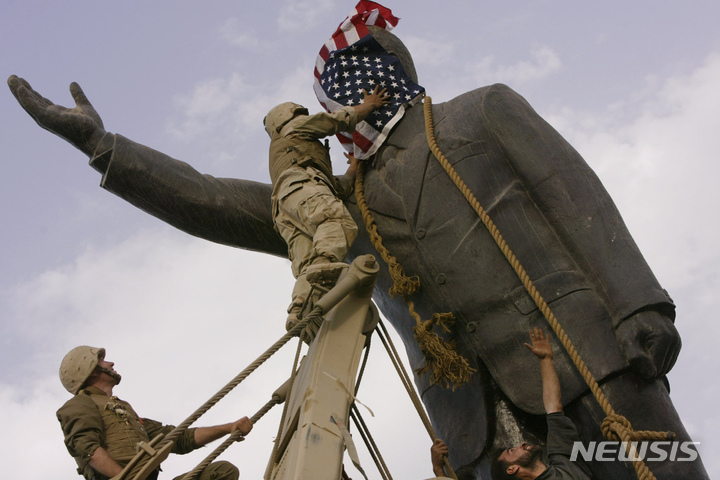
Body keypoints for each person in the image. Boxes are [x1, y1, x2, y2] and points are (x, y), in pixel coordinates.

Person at [7, 20, 707, 480]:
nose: (342, 95)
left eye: (356, 72)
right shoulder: (344, 205)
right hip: (476, 424)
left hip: (588, 364)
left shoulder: (481, 112)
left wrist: (640, 305)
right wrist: (105, 149)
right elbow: (216, 200)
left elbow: (576, 196)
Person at [264, 88, 389, 330]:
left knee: (307, 266)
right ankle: (324, 269)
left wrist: (353, 168)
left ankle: (301, 311)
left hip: (285, 210)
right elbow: (333, 122)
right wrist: (369, 105)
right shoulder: (293, 128)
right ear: (287, 116)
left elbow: (337, 188)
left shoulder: (290, 150)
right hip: (301, 187)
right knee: (336, 221)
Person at [57, 346, 253, 480]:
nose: (110, 363)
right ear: (90, 370)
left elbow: (179, 438)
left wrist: (229, 428)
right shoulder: (80, 404)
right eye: (102, 360)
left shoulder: (126, 412)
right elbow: (87, 448)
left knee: (222, 472)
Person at [489, 328, 592, 479]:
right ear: (512, 469)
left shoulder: (565, 464)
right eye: (512, 451)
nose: (521, 444)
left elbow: (554, 408)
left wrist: (545, 360)